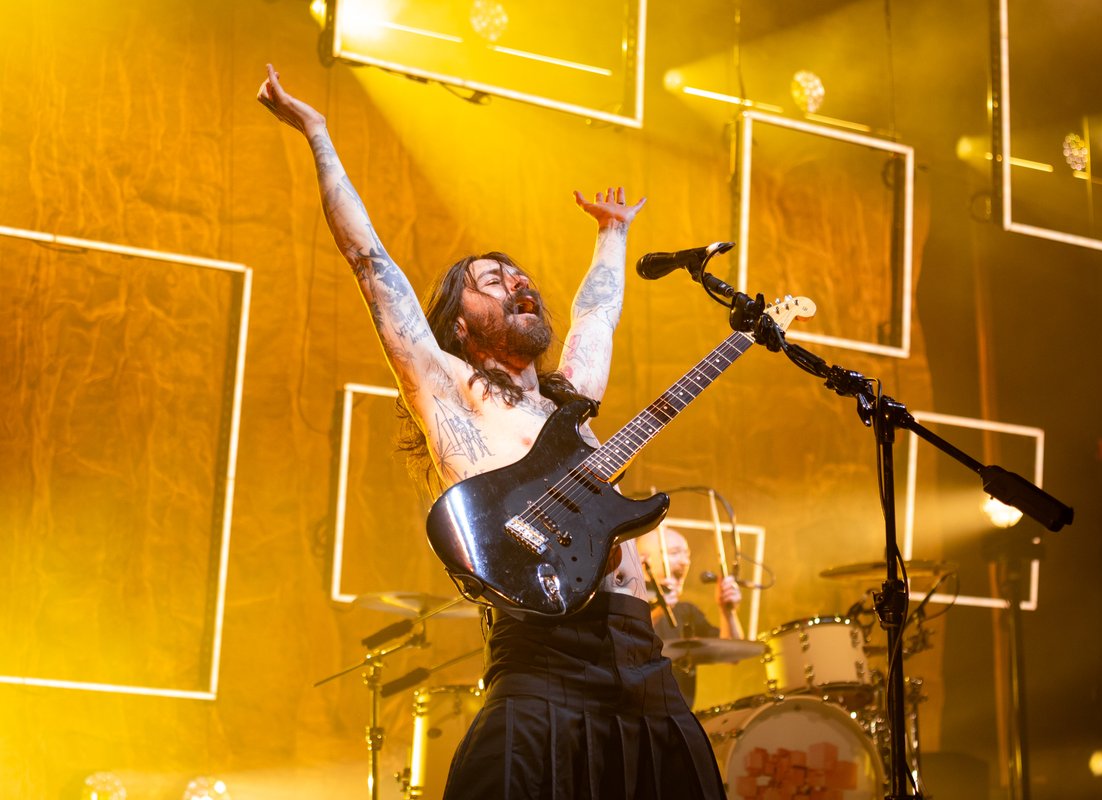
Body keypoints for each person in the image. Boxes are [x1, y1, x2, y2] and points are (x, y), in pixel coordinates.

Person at [257, 65, 725, 799]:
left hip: (641, 657)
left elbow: (597, 318)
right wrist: (319, 135)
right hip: (544, 659)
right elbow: (370, 263)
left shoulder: (570, 410)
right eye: (491, 280)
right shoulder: (449, 387)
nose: (516, 282)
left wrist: (613, 236)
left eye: (518, 275)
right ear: (461, 323)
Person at [637, 525, 744, 707]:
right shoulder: (623, 606)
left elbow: (732, 655)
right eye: (674, 553)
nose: (685, 561)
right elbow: (627, 650)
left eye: (686, 554)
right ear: (643, 562)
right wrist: (659, 611)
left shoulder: (686, 612)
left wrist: (728, 612)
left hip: (679, 720)